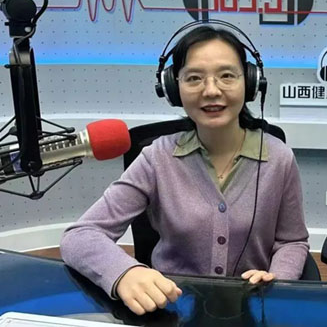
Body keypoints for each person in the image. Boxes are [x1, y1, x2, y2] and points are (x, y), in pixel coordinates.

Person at [61, 25, 309, 316]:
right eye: (194, 78)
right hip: (172, 310)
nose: (211, 90)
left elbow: (292, 241)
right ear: (173, 88)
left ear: (250, 82)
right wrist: (124, 272)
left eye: (227, 76)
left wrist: (278, 281)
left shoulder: (279, 158)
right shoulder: (156, 158)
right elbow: (80, 236)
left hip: (252, 310)